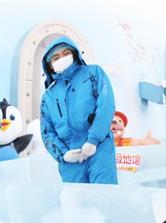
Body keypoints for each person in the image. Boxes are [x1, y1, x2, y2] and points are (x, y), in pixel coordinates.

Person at [40, 37, 117, 184]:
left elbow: (106, 104)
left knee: (105, 198)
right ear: (49, 65)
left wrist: (93, 140)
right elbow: (47, 132)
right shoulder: (48, 96)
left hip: (99, 149)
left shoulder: (93, 73)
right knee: (75, 203)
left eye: (66, 53)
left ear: (74, 53)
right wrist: (64, 154)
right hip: (70, 160)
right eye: (56, 57)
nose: (62, 58)